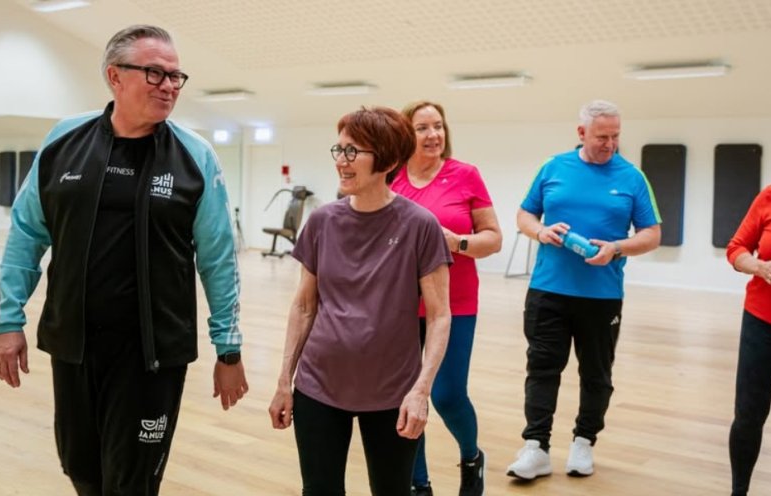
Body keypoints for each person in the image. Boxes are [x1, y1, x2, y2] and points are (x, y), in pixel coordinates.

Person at [0, 25, 247, 495]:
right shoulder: (64, 140)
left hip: (152, 357)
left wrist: (228, 349)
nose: (169, 86)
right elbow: (26, 233)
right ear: (115, 76)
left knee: (132, 483)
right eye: (155, 73)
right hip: (74, 347)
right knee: (82, 472)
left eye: (175, 76)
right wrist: (8, 321)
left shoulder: (195, 156)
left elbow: (218, 259)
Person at [268, 106, 453, 496]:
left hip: (393, 391)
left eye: (352, 151)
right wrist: (285, 380)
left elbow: (439, 316)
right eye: (339, 150)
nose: (341, 161)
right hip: (318, 385)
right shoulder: (321, 222)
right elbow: (304, 305)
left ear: (385, 159)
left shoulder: (420, 225)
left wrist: (421, 391)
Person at [507, 100, 661, 481]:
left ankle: (583, 442)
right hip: (548, 290)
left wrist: (617, 248)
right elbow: (525, 214)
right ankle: (536, 447)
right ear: (581, 133)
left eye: (615, 136)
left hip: (602, 296)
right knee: (542, 368)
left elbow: (652, 234)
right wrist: (540, 231)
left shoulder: (632, 177)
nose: (610, 144)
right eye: (602, 136)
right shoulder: (553, 168)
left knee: (596, 374)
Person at [390, 101, 502, 496]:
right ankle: (419, 484)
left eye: (438, 126)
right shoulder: (391, 180)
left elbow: (493, 238)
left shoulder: (465, 175)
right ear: (406, 135)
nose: (433, 134)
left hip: (455, 305)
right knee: (407, 396)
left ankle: (471, 457)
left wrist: (458, 242)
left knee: (447, 395)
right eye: (422, 127)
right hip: (401, 306)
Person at [725, 181, 771, 496]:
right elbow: (736, 249)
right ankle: (739, 491)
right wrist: (760, 267)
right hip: (762, 320)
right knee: (749, 413)